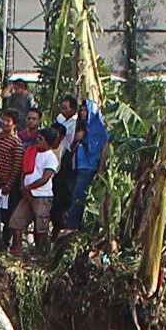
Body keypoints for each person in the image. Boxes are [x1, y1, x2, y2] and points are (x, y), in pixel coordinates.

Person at [56, 95, 109, 234]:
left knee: (79, 196)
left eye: (86, 110)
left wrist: (101, 168)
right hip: (75, 165)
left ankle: (72, 226)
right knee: (72, 195)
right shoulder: (79, 127)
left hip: (89, 166)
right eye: (82, 110)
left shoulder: (99, 129)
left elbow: (104, 148)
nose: (83, 113)